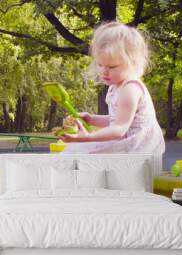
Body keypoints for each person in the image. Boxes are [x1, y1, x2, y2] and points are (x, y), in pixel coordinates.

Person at [60, 21, 165, 156]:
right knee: (75, 151)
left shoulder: (130, 89)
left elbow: (120, 128)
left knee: (79, 151)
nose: (104, 71)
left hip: (137, 147)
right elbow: (116, 119)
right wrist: (92, 119)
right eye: (100, 65)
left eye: (112, 67)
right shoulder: (116, 87)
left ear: (132, 63)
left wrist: (89, 137)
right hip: (126, 141)